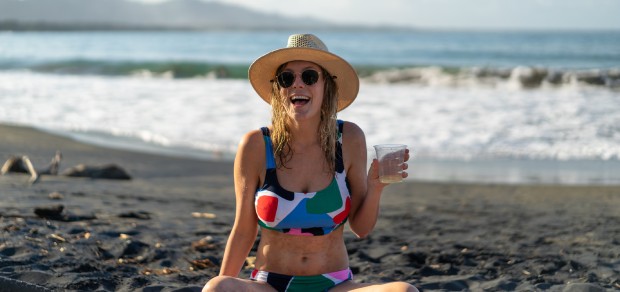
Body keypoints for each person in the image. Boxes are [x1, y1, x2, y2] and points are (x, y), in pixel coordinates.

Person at [203, 34, 416, 292]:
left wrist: (376, 187)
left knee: (405, 291)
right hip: (271, 284)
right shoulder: (257, 145)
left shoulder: (348, 138)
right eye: (287, 78)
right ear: (278, 88)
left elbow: (361, 228)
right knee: (217, 287)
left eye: (310, 76)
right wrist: (225, 283)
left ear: (327, 85)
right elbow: (243, 230)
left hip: (334, 284)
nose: (298, 84)